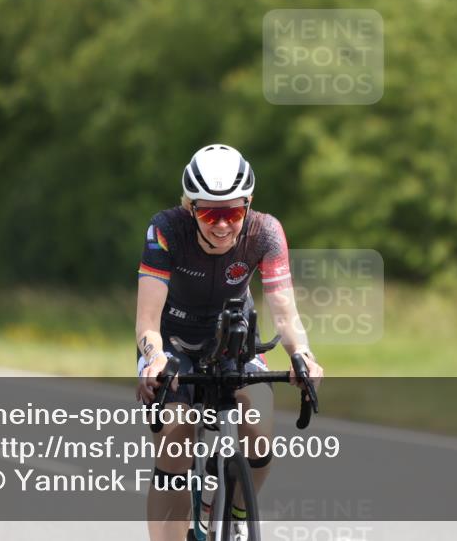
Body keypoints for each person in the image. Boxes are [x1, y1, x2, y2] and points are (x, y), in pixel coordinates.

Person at [135, 144, 323, 541]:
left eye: (233, 212)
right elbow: (148, 320)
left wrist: (303, 356)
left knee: (260, 431)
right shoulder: (166, 230)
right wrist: (153, 360)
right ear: (190, 208)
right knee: (177, 437)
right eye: (209, 213)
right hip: (173, 345)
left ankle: (236, 512)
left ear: (248, 205)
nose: (222, 225)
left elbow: (286, 314)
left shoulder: (265, 232)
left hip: (236, 339)